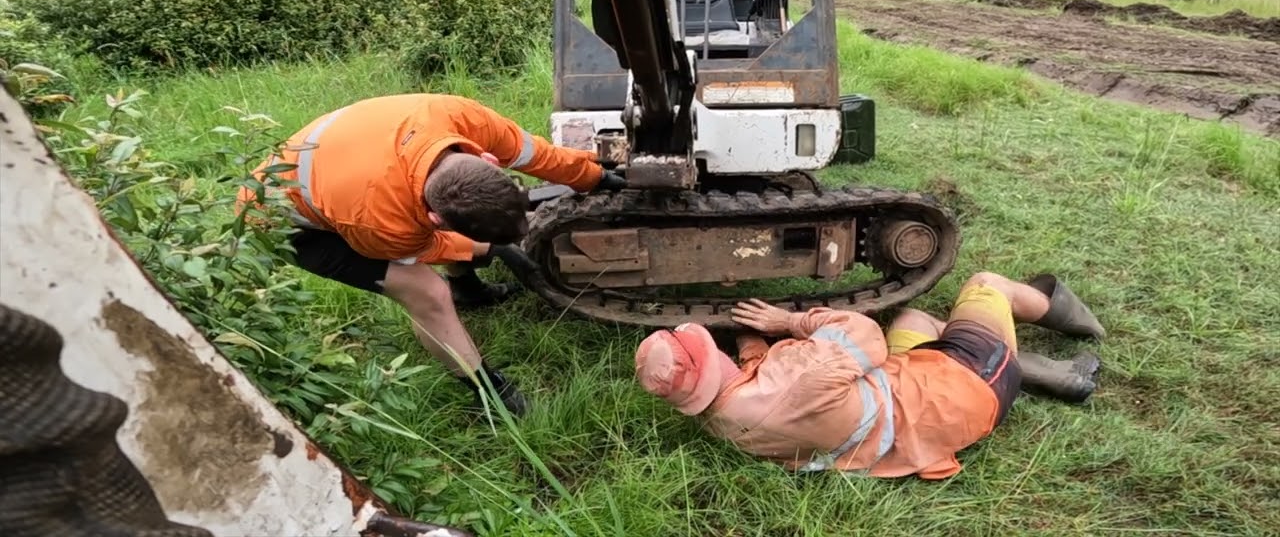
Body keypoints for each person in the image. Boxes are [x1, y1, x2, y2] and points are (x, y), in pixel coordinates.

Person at [237, 93, 625, 416]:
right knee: (426, 292)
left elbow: (533, 153)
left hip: (351, 164)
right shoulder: (382, 222)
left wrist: (595, 177)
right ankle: (489, 392)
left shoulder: (464, 118)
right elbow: (425, 249)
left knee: (468, 245)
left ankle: (469, 291)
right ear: (435, 218)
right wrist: (492, 248)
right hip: (277, 216)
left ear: (489, 161)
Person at [634, 271, 1105, 479]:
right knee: (986, 285)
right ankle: (1076, 322)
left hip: (905, 420)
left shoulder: (722, 419)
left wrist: (748, 339)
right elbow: (860, 334)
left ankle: (1026, 369)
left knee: (916, 321)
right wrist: (788, 322)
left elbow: (755, 376)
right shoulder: (802, 374)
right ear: (708, 360)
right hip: (962, 392)